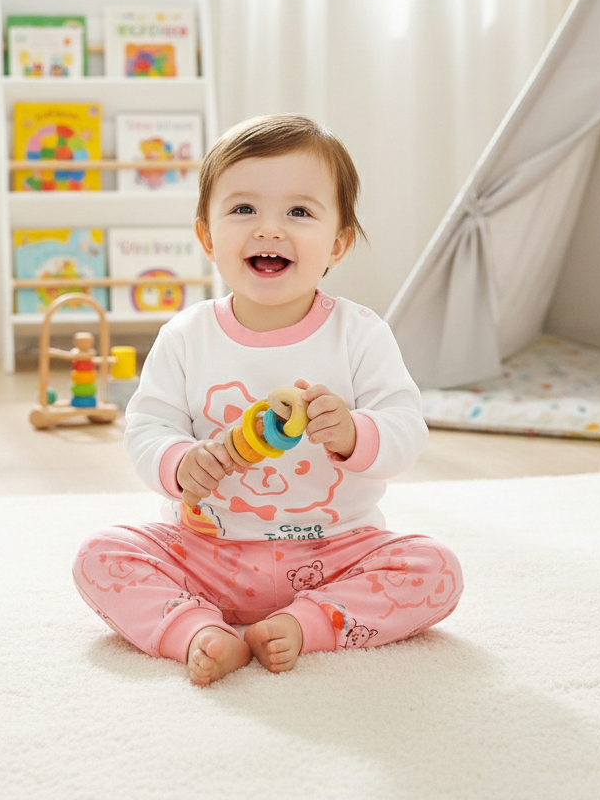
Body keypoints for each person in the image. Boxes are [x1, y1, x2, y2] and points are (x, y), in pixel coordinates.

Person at [72, 114, 463, 686]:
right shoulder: (186, 336)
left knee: (436, 569)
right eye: (243, 209)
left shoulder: (360, 333)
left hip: (335, 552)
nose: (269, 230)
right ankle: (197, 631)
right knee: (100, 555)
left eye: (299, 212)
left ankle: (307, 623)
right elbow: (148, 427)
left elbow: (405, 427)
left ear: (338, 243)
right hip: (207, 552)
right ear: (207, 237)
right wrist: (181, 463)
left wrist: (354, 432)